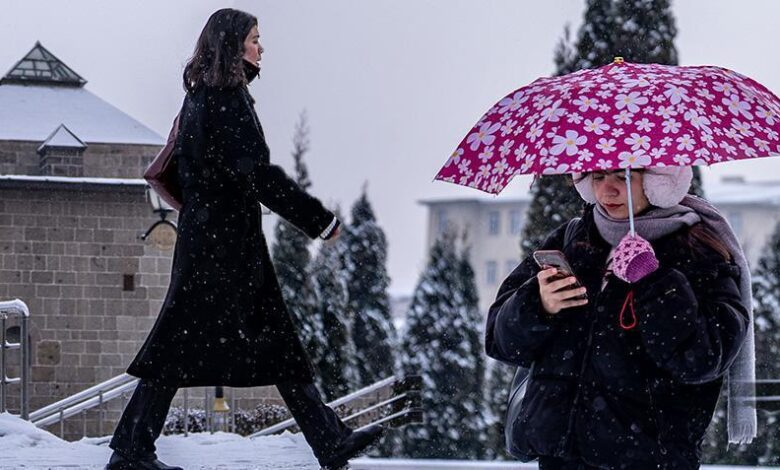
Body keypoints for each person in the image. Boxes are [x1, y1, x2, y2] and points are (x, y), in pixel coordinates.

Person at [106, 9, 382, 470]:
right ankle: (131, 451)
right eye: (255, 39)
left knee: (227, 343)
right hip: (225, 246)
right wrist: (320, 221)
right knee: (186, 347)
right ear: (233, 46)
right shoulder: (225, 99)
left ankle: (327, 440)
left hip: (211, 240)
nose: (261, 48)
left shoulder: (200, 97)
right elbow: (258, 176)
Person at [486, 166, 755, 469]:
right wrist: (539, 304)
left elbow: (704, 359)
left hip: (647, 460)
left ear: (660, 182)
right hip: (559, 458)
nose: (607, 190)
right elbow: (500, 342)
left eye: (624, 177)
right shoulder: (571, 240)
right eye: (598, 177)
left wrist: (653, 281)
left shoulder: (699, 251)